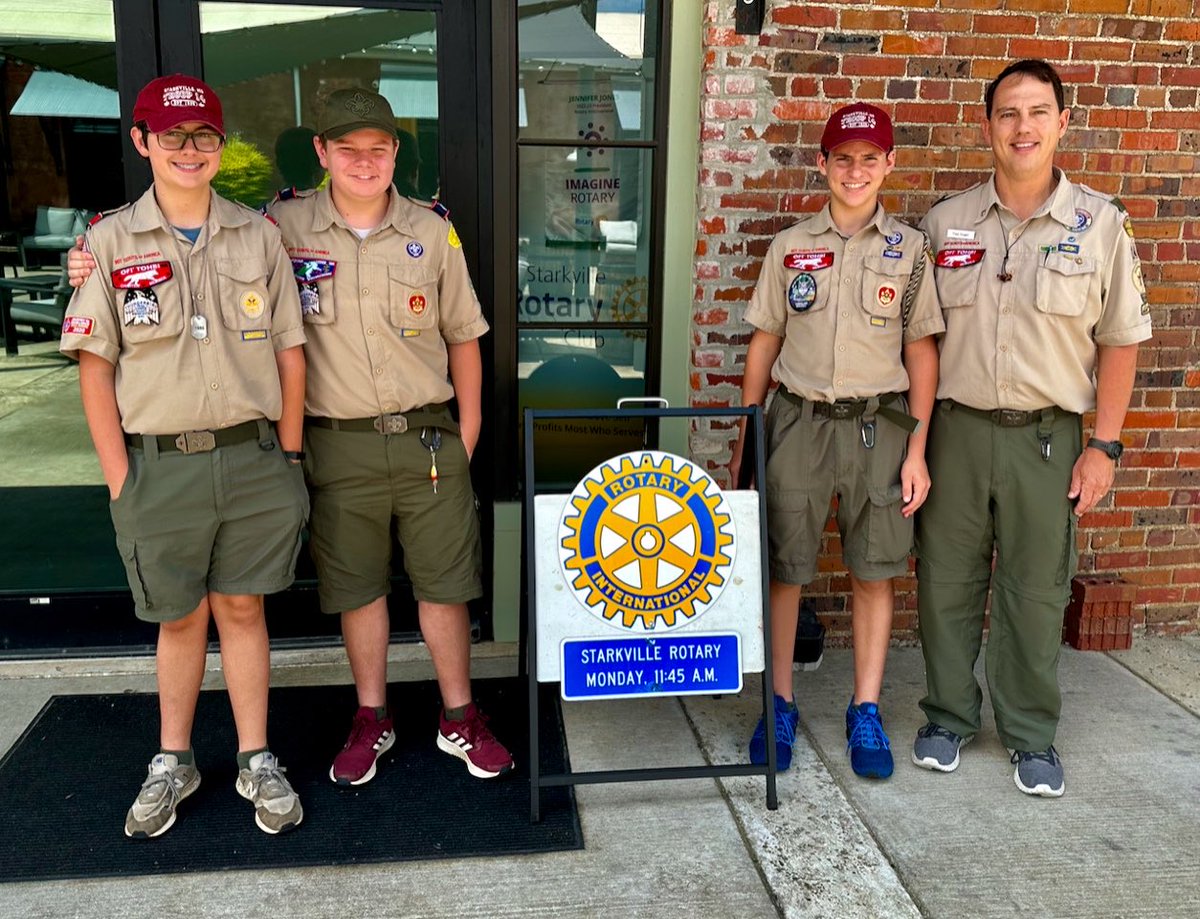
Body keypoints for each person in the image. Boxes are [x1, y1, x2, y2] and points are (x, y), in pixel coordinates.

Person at [75, 89, 515, 785]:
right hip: (334, 442)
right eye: (347, 148)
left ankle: (459, 713)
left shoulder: (431, 231)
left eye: (378, 147)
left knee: (445, 584)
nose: (363, 162)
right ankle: (372, 716)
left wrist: (467, 433)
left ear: (397, 151)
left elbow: (464, 335)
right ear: (321, 153)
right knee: (355, 586)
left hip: (428, 440)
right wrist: (86, 260)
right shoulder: (281, 225)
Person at [60, 75, 308, 837]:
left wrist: (290, 458)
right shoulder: (107, 241)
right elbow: (95, 365)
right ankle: (174, 758)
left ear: (221, 144)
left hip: (251, 457)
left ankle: (256, 755)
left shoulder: (257, 234)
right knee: (178, 617)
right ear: (142, 143)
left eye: (203, 135)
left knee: (243, 606)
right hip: (157, 464)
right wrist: (119, 479)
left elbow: (292, 354)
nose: (190, 150)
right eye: (173, 136)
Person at [912, 59, 1151, 797]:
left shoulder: (1101, 224)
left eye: (1038, 111)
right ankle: (949, 714)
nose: (1023, 127)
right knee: (945, 583)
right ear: (987, 126)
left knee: (1036, 590)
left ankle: (1029, 732)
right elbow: (920, 336)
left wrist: (1103, 446)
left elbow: (1122, 338)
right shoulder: (945, 221)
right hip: (956, 429)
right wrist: (918, 442)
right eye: (1009, 113)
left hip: (1049, 440)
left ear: (1062, 123)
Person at [730, 103, 942, 777]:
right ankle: (781, 700)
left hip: (880, 425)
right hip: (797, 421)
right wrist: (748, 433)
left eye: (869, 157)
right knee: (785, 566)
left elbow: (922, 352)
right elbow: (765, 340)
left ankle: (867, 707)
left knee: (875, 567)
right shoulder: (792, 245)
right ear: (822, 164)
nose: (856, 170)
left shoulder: (908, 251)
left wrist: (917, 450)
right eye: (842, 157)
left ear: (889, 165)